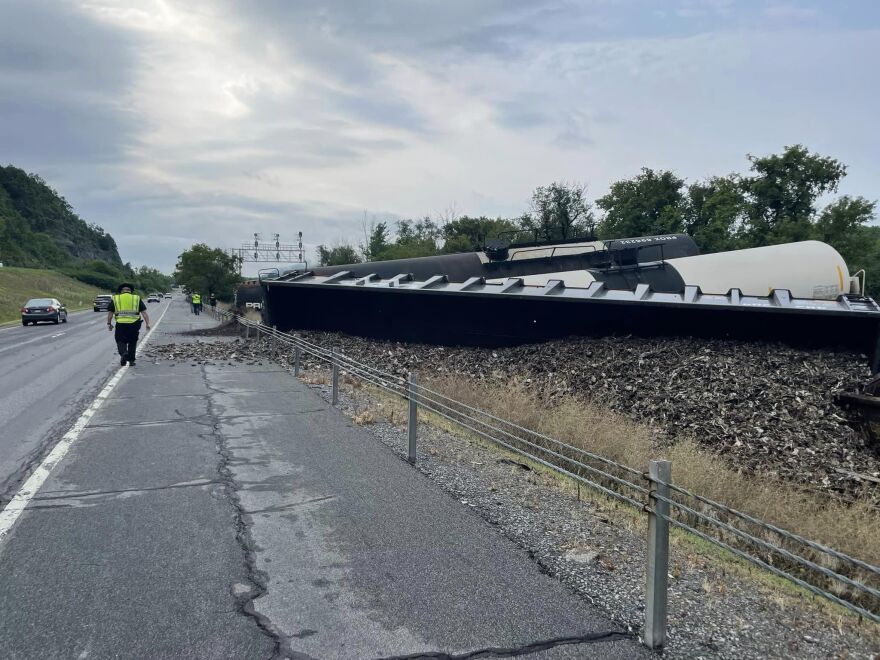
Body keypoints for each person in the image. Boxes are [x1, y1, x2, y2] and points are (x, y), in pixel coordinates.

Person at [107, 283, 151, 367]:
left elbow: (110, 313)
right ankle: (131, 361)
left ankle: (124, 353)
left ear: (121, 291)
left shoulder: (116, 298)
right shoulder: (136, 298)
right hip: (134, 324)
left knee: (120, 340)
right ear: (130, 291)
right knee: (132, 342)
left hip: (121, 324)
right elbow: (144, 312)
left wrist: (109, 323)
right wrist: (147, 324)